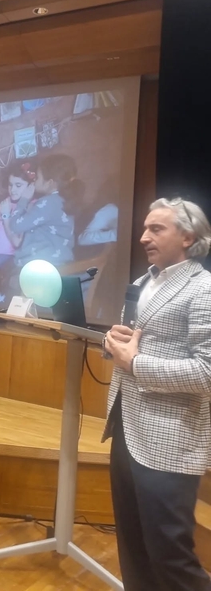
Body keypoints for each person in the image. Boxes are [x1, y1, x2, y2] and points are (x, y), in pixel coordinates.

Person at [104, 197, 211, 591]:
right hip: (126, 429)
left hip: (170, 440)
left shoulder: (204, 289)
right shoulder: (141, 283)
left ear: (188, 237)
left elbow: (207, 372)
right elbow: (130, 344)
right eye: (145, 228)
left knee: (170, 556)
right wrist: (111, 342)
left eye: (156, 229)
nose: (143, 237)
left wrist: (135, 364)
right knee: (133, 547)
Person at [6, 153, 84, 268]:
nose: (34, 181)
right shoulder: (64, 199)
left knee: (4, 272)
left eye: (37, 178)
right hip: (61, 262)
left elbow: (15, 226)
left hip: (43, 266)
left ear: (50, 183)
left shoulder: (48, 203)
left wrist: (23, 200)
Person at [0, 162, 35, 269]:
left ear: (31, 186)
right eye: (10, 185)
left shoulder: (30, 206)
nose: (12, 190)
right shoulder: (7, 201)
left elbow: (18, 240)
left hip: (8, 255)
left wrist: (6, 216)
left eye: (18, 185)